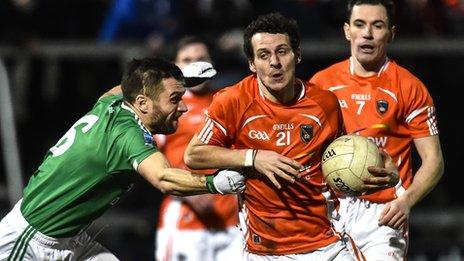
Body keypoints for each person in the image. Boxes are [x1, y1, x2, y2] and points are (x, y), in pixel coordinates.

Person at [184, 12, 398, 260]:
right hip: (265, 250)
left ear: (297, 54)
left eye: (282, 51)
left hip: (326, 244)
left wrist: (382, 177)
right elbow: (194, 155)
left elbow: (342, 162)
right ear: (252, 64)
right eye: (263, 55)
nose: (274, 62)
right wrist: (253, 157)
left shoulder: (324, 103)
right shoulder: (233, 101)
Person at [0, 57, 245, 260]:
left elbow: (126, 86)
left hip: (72, 238)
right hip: (29, 242)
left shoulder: (114, 101)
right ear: (143, 103)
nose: (183, 107)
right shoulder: (127, 135)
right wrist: (215, 183)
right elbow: (163, 178)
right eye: (174, 99)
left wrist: (179, 76)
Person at [308, 0, 445, 259]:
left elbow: (434, 161)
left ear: (391, 33)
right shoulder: (321, 85)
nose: (367, 34)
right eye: (359, 24)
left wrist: (406, 201)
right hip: (330, 210)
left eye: (377, 25)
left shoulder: (409, 87)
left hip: (384, 213)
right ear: (347, 30)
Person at [155, 36, 242, 261]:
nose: (196, 64)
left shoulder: (227, 102)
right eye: (187, 59)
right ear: (175, 66)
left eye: (202, 58)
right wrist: (187, 189)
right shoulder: (165, 109)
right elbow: (147, 159)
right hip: (185, 223)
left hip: (232, 225)